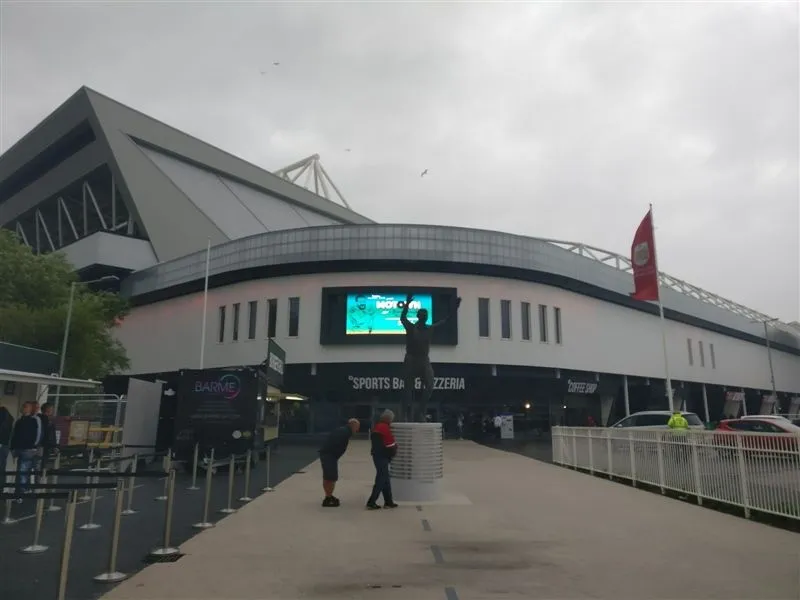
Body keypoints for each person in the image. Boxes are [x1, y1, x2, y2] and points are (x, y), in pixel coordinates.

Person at [400, 293, 461, 422]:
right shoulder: (411, 327)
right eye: (423, 315)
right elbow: (402, 318)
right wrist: (407, 304)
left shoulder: (430, 328)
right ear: (418, 316)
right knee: (408, 389)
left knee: (430, 385)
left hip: (423, 360)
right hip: (411, 359)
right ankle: (405, 414)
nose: (425, 317)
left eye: (426, 315)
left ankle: (420, 411)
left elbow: (446, 321)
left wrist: (454, 309)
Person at [319, 418, 360, 507]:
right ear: (353, 425)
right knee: (330, 477)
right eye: (357, 427)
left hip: (330, 455)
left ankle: (328, 496)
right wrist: (334, 454)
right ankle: (328, 498)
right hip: (329, 455)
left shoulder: (344, 431)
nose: (357, 430)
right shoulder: (344, 432)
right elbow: (333, 443)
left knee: (330, 477)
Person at [366, 410, 398, 510]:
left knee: (385, 479)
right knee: (381, 479)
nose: (391, 421)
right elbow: (387, 444)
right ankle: (371, 502)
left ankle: (388, 501)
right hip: (382, 457)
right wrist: (391, 451)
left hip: (380, 456)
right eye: (391, 419)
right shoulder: (383, 427)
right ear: (387, 418)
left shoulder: (379, 427)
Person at [10, 401, 41, 499]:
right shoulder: (19, 420)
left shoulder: (33, 420)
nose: (23, 408)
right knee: (21, 471)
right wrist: (13, 447)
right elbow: (14, 435)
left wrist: (33, 446)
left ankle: (20, 494)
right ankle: (20, 492)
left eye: (25, 407)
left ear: (30, 409)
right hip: (21, 448)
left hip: (27, 449)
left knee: (22, 471)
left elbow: (37, 435)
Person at [38, 403, 57, 469]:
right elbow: (50, 434)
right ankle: (40, 477)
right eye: (52, 409)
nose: (53, 411)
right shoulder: (46, 421)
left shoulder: (39, 419)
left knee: (40, 464)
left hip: (42, 445)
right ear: (48, 410)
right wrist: (54, 445)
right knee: (42, 464)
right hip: (45, 445)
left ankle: (39, 477)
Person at [0, 407, 14, 486]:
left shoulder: (2, 413)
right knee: (2, 469)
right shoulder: (6, 414)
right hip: (4, 444)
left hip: (1, 444)